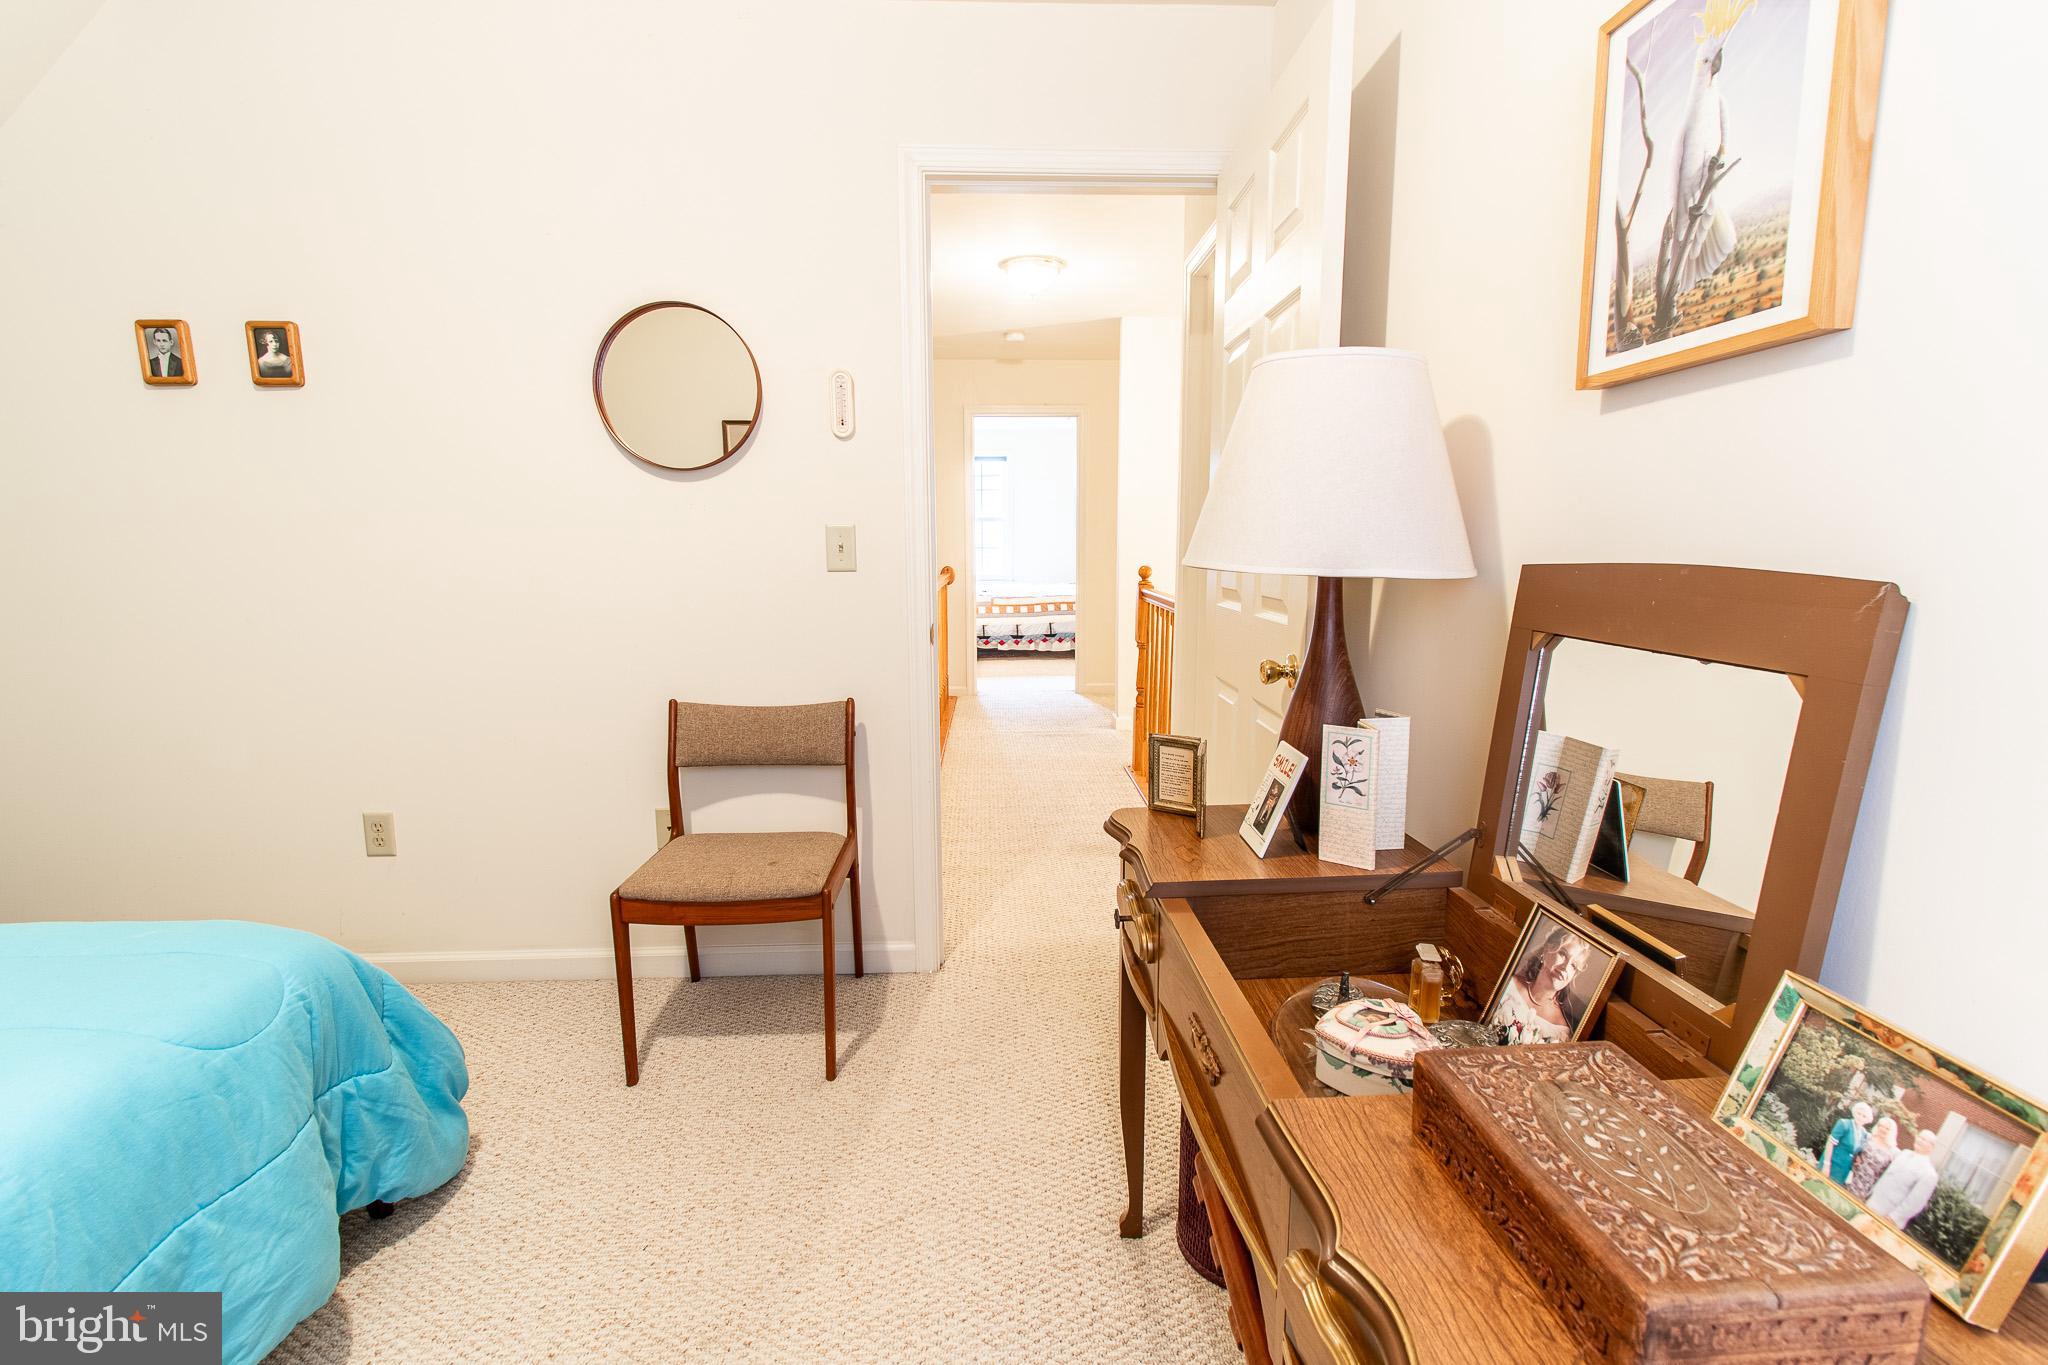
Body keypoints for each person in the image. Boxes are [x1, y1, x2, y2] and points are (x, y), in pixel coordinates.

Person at [1491, 925, 1592, 1044]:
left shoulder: (1560, 1032)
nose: (1565, 967)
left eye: (1573, 966)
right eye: (1563, 954)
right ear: (1546, 950)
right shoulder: (1509, 985)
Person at [1866, 1129, 1940, 1226]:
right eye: (1920, 1137)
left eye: (1924, 1140)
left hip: (1887, 1218)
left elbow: (1915, 1202)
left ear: (1931, 1147)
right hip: (1870, 1203)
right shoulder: (1904, 1154)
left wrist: (1893, 1218)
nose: (1920, 1141)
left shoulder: (1929, 1173)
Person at [1848, 1116, 1900, 1200]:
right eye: (1880, 1126)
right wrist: (1855, 1157)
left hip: (1868, 1186)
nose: (1882, 1129)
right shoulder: (1867, 1137)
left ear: (1891, 1132)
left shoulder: (1893, 1152)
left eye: (1887, 1128)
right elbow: (1854, 1151)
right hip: (1853, 1177)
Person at [1823, 1102, 1874, 1187]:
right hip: (1832, 1164)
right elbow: (1830, 1143)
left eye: (1864, 1116)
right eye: (1859, 1113)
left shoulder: (1864, 1134)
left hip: (1844, 1170)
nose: (1860, 1117)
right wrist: (1826, 1164)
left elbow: (1857, 1152)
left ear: (1867, 1120)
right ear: (1854, 1112)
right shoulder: (1844, 1124)